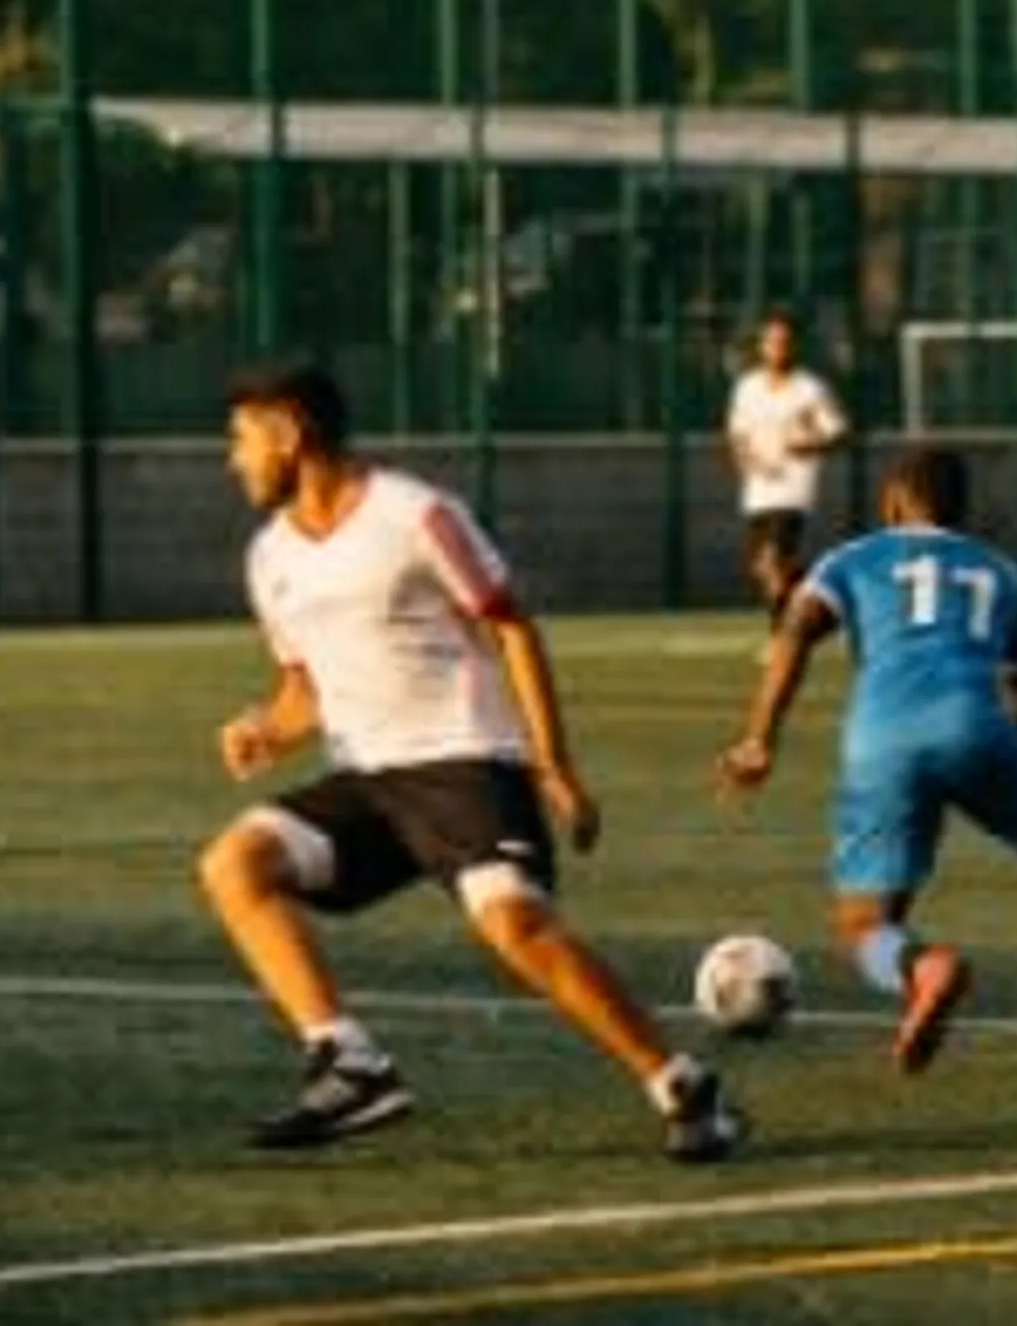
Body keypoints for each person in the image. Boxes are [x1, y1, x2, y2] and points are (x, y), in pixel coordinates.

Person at [197, 357, 744, 1162]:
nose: (233, 458)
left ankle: (677, 1081)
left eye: (242, 437)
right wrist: (265, 727)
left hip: (465, 765)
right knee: (235, 862)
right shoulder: (270, 556)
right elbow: (305, 688)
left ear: (290, 431)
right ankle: (348, 1060)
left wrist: (551, 762)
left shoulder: (416, 514)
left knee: (517, 927)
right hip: (368, 784)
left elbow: (512, 625)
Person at [716, 446, 1017, 1074]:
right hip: (979, 729)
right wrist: (1006, 764)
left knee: (865, 921)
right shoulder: (1003, 574)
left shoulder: (855, 557)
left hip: (879, 739)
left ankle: (922, 967)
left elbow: (797, 630)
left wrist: (759, 738)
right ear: (961, 510)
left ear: (893, 500)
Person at [723, 310, 849, 633]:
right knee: (762, 568)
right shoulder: (747, 387)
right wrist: (744, 460)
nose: (778, 348)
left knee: (773, 561)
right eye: (772, 341)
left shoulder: (810, 388)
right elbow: (737, 433)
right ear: (762, 346)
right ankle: (820, 590)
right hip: (758, 488)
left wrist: (809, 446)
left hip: (795, 487)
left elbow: (838, 431)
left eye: (785, 342)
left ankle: (780, 634)